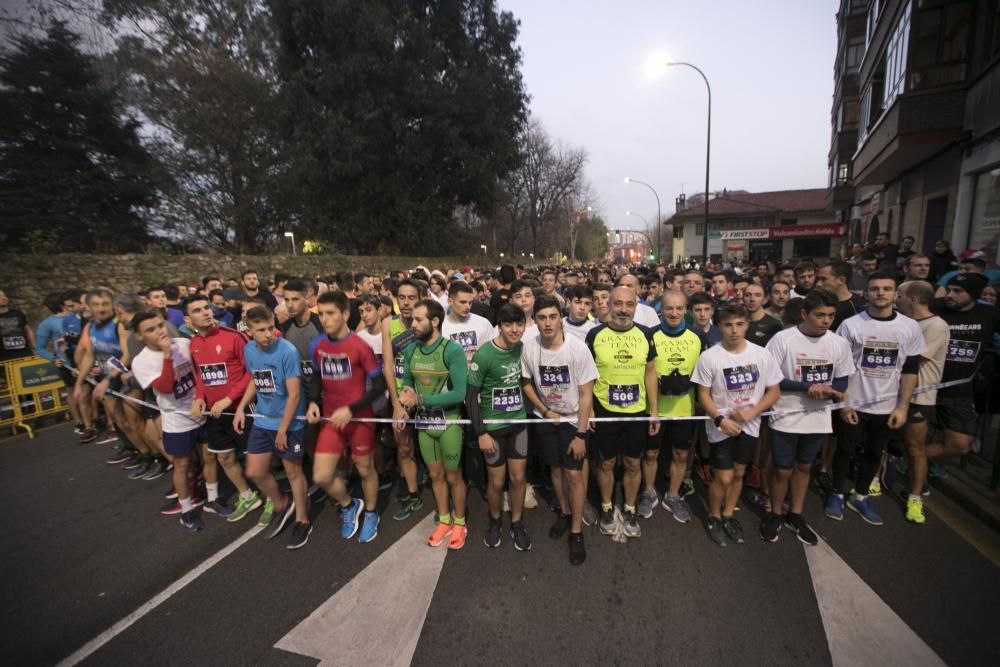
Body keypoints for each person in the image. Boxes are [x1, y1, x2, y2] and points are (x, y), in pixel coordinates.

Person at [826, 272, 925, 526]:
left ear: (896, 294)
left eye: (886, 288)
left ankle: (859, 495)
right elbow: (839, 367)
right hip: (854, 402)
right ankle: (836, 493)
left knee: (874, 452)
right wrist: (845, 403)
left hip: (887, 406)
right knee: (845, 450)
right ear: (866, 293)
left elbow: (911, 370)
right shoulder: (850, 325)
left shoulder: (909, 327)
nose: (880, 293)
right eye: (875, 288)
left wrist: (903, 407)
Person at [762, 290, 853, 544]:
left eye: (831, 316)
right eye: (819, 315)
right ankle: (775, 512)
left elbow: (843, 378)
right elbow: (770, 377)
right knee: (782, 469)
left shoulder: (839, 344)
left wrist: (834, 392)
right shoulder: (783, 340)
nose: (825, 320)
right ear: (804, 314)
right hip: (786, 415)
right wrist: (806, 388)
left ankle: (796, 513)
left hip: (818, 417)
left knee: (804, 466)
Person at [692, 303, 782, 547]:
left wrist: (752, 412)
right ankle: (713, 515)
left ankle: (729, 513)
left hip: (750, 426)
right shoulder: (710, 357)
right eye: (728, 325)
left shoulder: (762, 355)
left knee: (740, 472)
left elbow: (774, 390)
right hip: (721, 427)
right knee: (723, 476)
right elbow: (703, 394)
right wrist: (719, 420)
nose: (734, 330)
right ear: (720, 326)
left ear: (747, 325)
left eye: (740, 324)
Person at [521, 296, 597, 564]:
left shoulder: (577, 349)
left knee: (574, 475)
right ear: (536, 320)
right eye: (541, 318)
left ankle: (576, 531)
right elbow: (527, 383)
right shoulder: (529, 348)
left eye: (552, 317)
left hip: (573, 420)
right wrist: (544, 409)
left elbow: (587, 394)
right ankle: (565, 514)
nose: (547, 323)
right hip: (547, 420)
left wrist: (580, 433)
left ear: (560, 318)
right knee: (555, 470)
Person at [307, 291, 387, 543]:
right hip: (331, 420)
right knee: (321, 476)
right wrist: (312, 402)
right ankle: (349, 504)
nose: (325, 319)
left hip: (359, 418)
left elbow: (379, 384)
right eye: (321, 314)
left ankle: (372, 513)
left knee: (365, 470)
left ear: (344, 314)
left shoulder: (360, 347)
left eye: (330, 313)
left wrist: (351, 409)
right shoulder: (317, 346)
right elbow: (318, 377)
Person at [586, 286, 660, 539]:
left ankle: (629, 508)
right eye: (618, 303)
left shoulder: (646, 334)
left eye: (629, 304)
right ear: (608, 304)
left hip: (637, 412)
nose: (623, 310)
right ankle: (607, 507)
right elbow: (586, 377)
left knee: (632, 463)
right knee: (605, 462)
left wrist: (654, 411)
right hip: (605, 410)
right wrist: (590, 412)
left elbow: (651, 373)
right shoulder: (594, 334)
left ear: (636, 306)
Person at [233, 306, 311, 547]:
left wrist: (283, 429)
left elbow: (295, 394)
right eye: (261, 330)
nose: (268, 334)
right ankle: (281, 502)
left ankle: (303, 519)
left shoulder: (286, 350)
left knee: (293, 471)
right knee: (254, 472)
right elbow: (256, 380)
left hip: (290, 421)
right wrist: (241, 407)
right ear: (249, 331)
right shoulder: (249, 350)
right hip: (263, 419)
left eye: (270, 328)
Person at [398, 299, 469, 550]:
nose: (412, 324)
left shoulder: (452, 350)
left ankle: (460, 522)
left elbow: (460, 393)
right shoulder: (410, 351)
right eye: (412, 320)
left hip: (449, 422)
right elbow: (406, 387)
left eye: (418, 320)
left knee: (453, 476)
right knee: (435, 474)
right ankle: (444, 519)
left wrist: (421, 399)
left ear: (435, 321)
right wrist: (404, 406)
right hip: (424, 425)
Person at [130, 310, 206, 532]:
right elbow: (164, 387)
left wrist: (200, 398)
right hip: (176, 418)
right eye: (150, 330)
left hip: (200, 410)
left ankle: (210, 495)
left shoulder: (183, 343)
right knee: (181, 463)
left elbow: (199, 372)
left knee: (209, 457)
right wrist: (166, 356)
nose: (159, 332)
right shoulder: (141, 361)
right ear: (139, 336)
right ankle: (186, 509)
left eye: (160, 325)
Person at [186, 296, 261, 520]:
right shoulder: (194, 344)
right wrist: (199, 397)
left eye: (207, 308)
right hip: (214, 414)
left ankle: (272, 499)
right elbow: (200, 375)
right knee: (225, 458)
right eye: (198, 310)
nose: (206, 313)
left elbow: (253, 371)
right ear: (188, 319)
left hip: (242, 409)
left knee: (255, 460)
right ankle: (248, 496)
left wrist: (229, 399)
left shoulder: (234, 337)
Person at [467, 303, 531, 551]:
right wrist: (481, 432)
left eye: (519, 324)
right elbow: (471, 396)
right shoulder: (485, 354)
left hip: (518, 423)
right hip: (492, 427)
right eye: (508, 324)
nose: (514, 329)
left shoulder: (524, 349)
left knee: (518, 478)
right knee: (496, 481)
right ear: (500, 326)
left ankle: (516, 522)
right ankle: (495, 521)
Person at [925, 274, 1000, 464]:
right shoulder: (935, 307)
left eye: (958, 291)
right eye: (949, 290)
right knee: (912, 439)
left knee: (960, 445)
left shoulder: (988, 313)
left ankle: (904, 459)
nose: (950, 295)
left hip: (960, 391)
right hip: (925, 386)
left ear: (974, 294)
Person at [647, 291, 705, 524]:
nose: (673, 313)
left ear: (686, 310)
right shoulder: (649, 335)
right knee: (651, 453)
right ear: (661, 308)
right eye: (669, 308)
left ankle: (672, 495)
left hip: (685, 409)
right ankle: (649, 491)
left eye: (679, 308)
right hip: (655, 409)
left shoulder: (698, 335)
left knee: (681, 455)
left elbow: (706, 372)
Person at [894, 281, 949, 525]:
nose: (896, 298)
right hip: (890, 394)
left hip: (919, 397)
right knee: (886, 442)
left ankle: (915, 497)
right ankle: (874, 482)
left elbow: (915, 357)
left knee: (915, 448)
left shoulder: (936, 325)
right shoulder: (905, 322)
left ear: (914, 299)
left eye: (900, 294)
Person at [383, 278, 425, 521]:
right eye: (402, 298)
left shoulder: (427, 322)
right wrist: (396, 403)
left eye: (412, 298)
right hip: (400, 395)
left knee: (432, 450)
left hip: (425, 396)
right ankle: (412, 495)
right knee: (404, 446)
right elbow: (388, 365)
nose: (407, 303)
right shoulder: (389, 323)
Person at [441, 281, 495, 363]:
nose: (467, 307)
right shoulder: (440, 327)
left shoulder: (483, 323)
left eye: (470, 303)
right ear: (450, 301)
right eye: (463, 302)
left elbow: (493, 352)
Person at [816, 260, 867, 330]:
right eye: (818, 279)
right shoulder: (815, 303)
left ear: (841, 280)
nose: (818, 284)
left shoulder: (859, 307)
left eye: (823, 279)